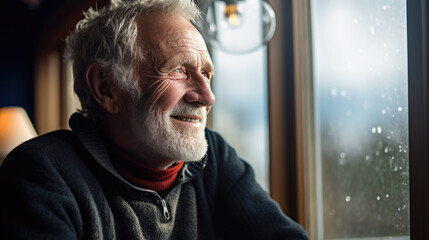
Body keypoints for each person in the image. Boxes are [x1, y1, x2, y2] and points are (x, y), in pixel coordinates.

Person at [0, 0, 309, 239]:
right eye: (178, 70)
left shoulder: (214, 157)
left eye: (206, 74)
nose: (207, 97)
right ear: (106, 88)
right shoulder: (41, 172)